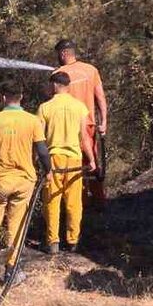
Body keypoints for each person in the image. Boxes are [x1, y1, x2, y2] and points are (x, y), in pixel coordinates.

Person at [0, 87, 50, 285]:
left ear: (3, 97)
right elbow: (42, 150)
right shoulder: (33, 121)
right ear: (21, 97)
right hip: (24, 181)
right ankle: (11, 272)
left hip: (0, 181)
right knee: (17, 226)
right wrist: (48, 170)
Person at [37, 71, 95, 254]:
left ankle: (52, 241)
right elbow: (85, 137)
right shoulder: (80, 107)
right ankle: (73, 240)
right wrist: (92, 160)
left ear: (54, 85)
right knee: (73, 202)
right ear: (67, 86)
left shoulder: (44, 108)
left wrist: (35, 161)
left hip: (53, 160)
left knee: (52, 201)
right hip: (74, 159)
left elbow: (38, 139)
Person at [52, 39, 109, 203]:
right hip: (89, 125)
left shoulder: (58, 75)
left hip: (67, 128)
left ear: (63, 53)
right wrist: (104, 121)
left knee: (73, 166)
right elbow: (101, 98)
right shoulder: (91, 70)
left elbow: (53, 103)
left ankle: (79, 202)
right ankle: (100, 201)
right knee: (92, 162)